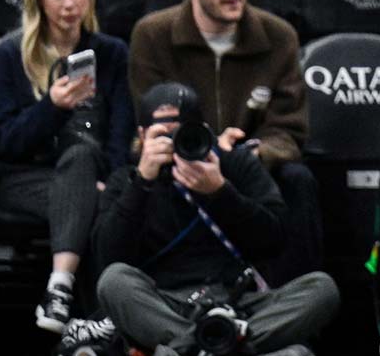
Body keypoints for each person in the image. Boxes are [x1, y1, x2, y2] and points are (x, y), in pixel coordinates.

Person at [128, 0, 322, 284]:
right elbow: (148, 119)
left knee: (299, 179)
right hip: (176, 161)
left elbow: (289, 130)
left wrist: (249, 153)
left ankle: (298, 300)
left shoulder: (278, 37)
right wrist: (198, 149)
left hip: (249, 165)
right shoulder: (152, 35)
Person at [92, 82, 339, 356]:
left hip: (241, 301)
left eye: (182, 133)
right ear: (142, 135)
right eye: (163, 134)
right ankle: (223, 346)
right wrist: (143, 184)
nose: (175, 144)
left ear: (202, 129)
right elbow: (108, 258)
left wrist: (219, 192)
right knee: (113, 281)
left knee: (322, 288)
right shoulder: (127, 180)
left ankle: (198, 348)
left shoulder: (234, 165)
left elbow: (274, 239)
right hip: (167, 304)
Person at [0, 0, 134, 334]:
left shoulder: (112, 53)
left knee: (86, 169)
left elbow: (120, 132)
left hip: (92, 174)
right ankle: (94, 323)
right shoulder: (10, 54)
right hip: (26, 179)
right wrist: (52, 107)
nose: (69, 4)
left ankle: (62, 294)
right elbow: (3, 141)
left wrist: (115, 182)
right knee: (90, 198)